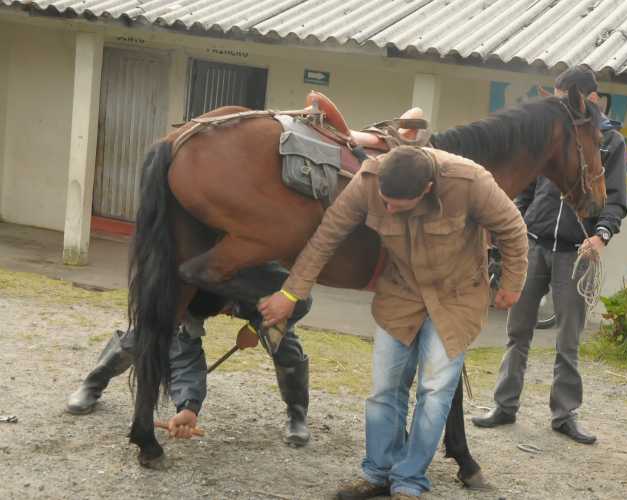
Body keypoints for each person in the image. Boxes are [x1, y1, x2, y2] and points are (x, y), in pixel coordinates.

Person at [258, 146, 528, 500]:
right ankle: (378, 473)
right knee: (384, 389)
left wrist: (511, 283)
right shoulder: (369, 180)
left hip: (457, 298)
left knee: (434, 394)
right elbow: (327, 236)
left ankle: (409, 480)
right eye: (383, 201)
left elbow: (513, 228)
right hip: (400, 296)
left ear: (427, 189)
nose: (386, 209)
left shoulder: (469, 181)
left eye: (396, 205)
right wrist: (290, 294)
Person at [471, 66, 627, 445]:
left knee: (568, 338)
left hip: (576, 252)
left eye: (563, 99)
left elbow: (617, 200)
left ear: (588, 99)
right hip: (534, 245)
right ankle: (504, 406)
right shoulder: (552, 136)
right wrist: (517, 224)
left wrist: (601, 236)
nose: (557, 106)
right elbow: (526, 187)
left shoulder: (610, 142)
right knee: (517, 331)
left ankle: (564, 414)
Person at [65, 263, 314, 446]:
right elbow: (184, 350)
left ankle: (297, 412)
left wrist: (255, 327)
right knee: (145, 335)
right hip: (204, 290)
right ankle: (93, 383)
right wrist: (189, 406)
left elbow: (301, 299)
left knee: (283, 343)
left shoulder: (260, 271)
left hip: (263, 298)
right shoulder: (182, 286)